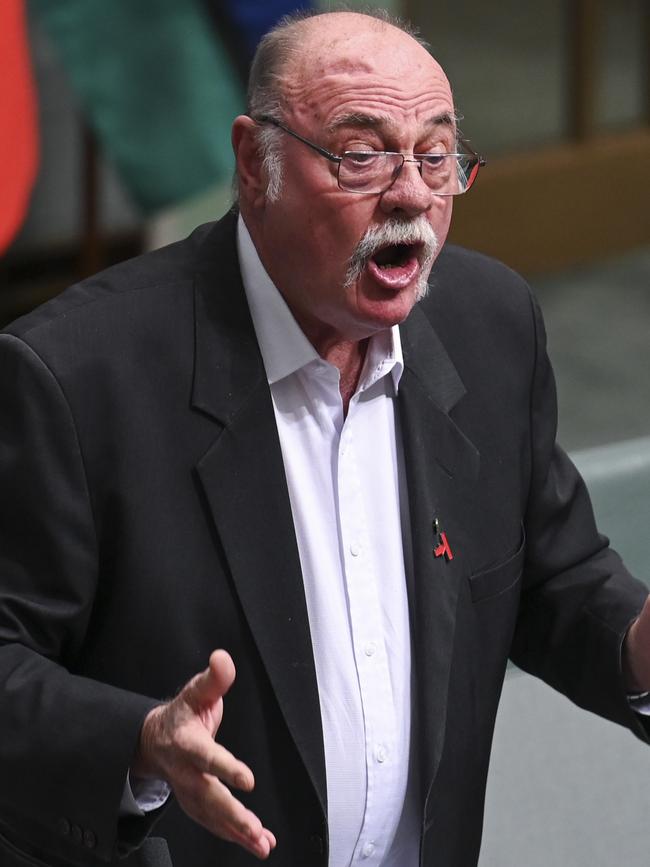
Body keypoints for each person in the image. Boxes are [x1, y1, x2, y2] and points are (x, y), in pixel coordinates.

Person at [1, 8, 649, 867]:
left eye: (436, 156)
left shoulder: (489, 326)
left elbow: (549, 573)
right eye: (362, 155)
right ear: (254, 162)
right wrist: (138, 742)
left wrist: (638, 640)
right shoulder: (77, 378)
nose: (413, 195)